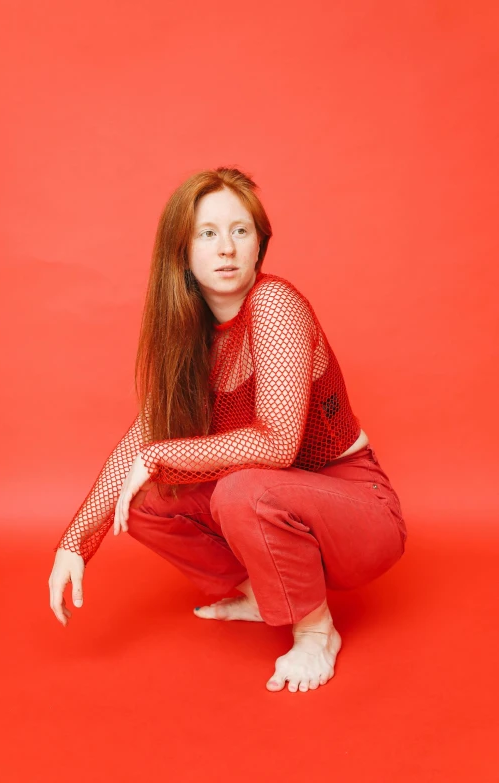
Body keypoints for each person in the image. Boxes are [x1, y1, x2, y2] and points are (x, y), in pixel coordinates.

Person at [48, 166, 407, 693]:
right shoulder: (190, 339)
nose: (226, 249)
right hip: (279, 502)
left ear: (259, 244)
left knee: (240, 487)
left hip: (360, 511)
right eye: (207, 233)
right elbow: (138, 445)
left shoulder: (275, 304)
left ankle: (315, 632)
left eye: (240, 231)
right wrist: (75, 544)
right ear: (183, 251)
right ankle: (263, 595)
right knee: (145, 498)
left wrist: (157, 455)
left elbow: (277, 444)